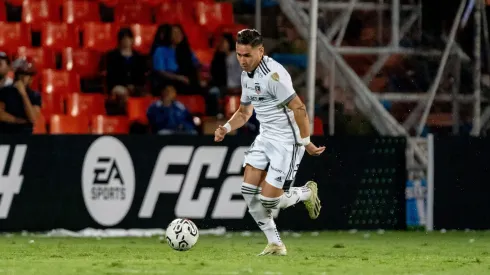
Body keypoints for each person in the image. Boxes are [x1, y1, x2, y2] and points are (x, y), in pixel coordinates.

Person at [214, 29, 325, 256]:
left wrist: (306, 142)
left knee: (270, 202)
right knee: (247, 190)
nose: (242, 61)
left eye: (247, 55)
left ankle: (306, 192)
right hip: (266, 137)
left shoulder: (274, 76)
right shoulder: (247, 75)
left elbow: (300, 109)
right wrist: (225, 128)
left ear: (261, 51)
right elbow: (245, 113)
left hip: (288, 142)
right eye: (239, 55)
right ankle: (275, 243)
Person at [0, 58, 41, 134]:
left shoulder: (35, 95)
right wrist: (17, 120)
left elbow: (33, 118)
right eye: (20, 74)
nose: (22, 78)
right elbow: (1, 114)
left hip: (25, 135)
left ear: (30, 79)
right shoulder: (4, 91)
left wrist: (23, 94)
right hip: (5, 134)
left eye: (26, 75)